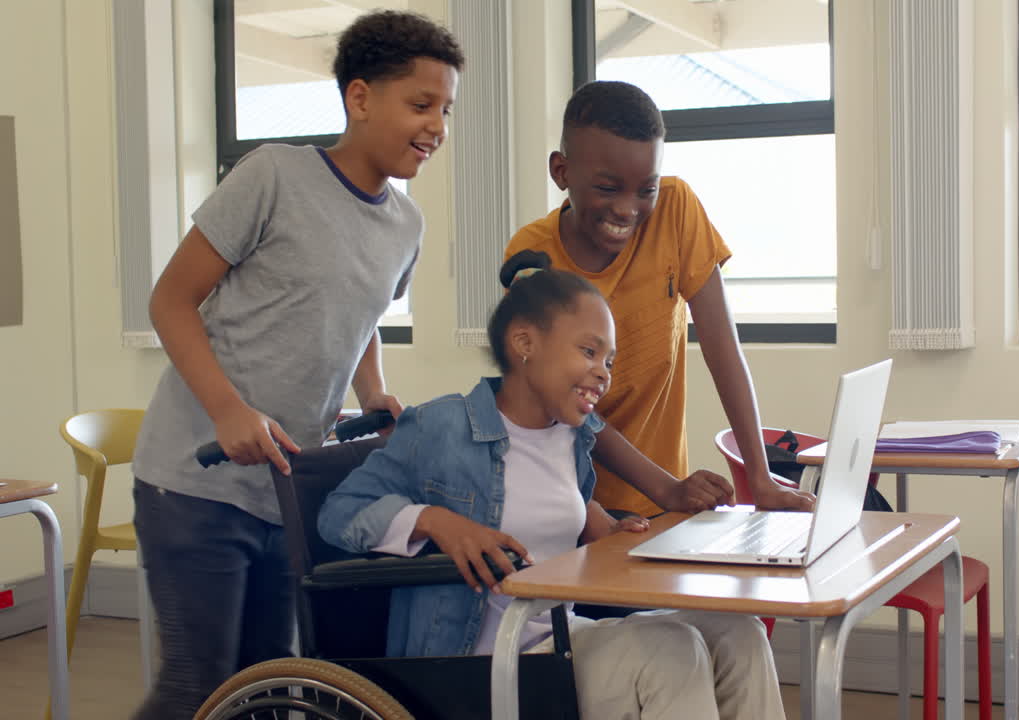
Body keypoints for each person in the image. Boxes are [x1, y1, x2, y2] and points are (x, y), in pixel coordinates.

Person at [128, 10, 462, 717]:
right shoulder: (273, 176)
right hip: (194, 483)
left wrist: (375, 391)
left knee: (265, 689)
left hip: (288, 491)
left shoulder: (406, 224)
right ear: (361, 97)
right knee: (198, 685)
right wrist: (228, 409)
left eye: (445, 110)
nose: (436, 126)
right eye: (421, 104)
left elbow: (360, 312)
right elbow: (170, 301)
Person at [317, 250, 785, 720]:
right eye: (588, 351)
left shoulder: (571, 436)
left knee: (738, 633)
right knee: (671, 650)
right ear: (525, 343)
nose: (604, 371)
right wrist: (438, 523)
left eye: (609, 359)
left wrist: (608, 532)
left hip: (557, 639)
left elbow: (559, 515)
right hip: (476, 663)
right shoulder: (442, 426)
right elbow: (340, 513)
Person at [505, 80, 815, 518]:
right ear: (561, 172)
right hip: (572, 503)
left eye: (645, 190)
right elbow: (567, 403)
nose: (628, 209)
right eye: (608, 189)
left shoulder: (676, 209)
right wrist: (667, 488)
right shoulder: (532, 258)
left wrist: (759, 479)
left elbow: (722, 347)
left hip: (664, 503)